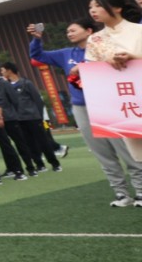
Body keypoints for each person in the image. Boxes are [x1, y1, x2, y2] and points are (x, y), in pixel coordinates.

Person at [30, 21, 142, 206]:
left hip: (108, 105)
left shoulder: (105, 49)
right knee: (102, 152)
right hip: (81, 107)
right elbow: (37, 56)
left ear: (89, 31)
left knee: (126, 149)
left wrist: (83, 67)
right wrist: (36, 39)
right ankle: (121, 194)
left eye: (73, 30)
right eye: (67, 31)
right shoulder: (66, 53)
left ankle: (140, 191)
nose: (69, 33)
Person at [83, 0, 142, 162]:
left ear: (117, 8)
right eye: (90, 7)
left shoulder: (139, 30)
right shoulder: (94, 39)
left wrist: (133, 57)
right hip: (125, 103)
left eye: (98, 6)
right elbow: (93, 74)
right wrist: (105, 64)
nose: (93, 10)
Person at [0, 62, 58, 173]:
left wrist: (39, 116)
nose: (1, 73)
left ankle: (54, 163)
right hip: (18, 119)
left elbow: (38, 100)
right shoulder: (5, 86)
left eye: (2, 70)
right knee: (29, 143)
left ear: (9, 70)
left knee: (43, 141)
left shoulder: (26, 83)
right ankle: (39, 164)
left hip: (33, 117)